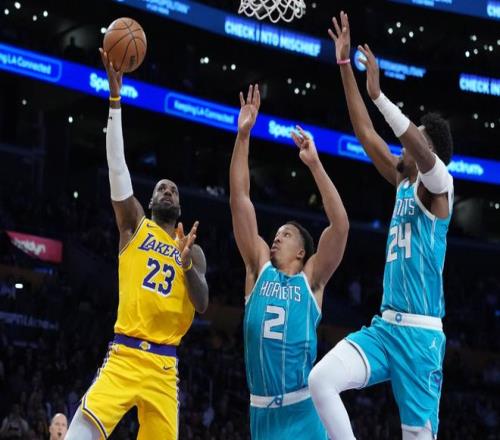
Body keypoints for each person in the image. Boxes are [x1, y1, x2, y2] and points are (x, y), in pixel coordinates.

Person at [309, 12, 454, 440]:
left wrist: (380, 95)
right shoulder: (401, 180)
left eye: (414, 137)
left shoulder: (440, 187)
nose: (402, 144)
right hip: (385, 329)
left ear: (426, 147)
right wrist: (344, 66)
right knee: (321, 381)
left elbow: (420, 151)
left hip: (421, 338)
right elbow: (363, 131)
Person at [66, 49, 209, 440]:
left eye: (173, 189)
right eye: (161, 188)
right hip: (125, 353)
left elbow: (202, 303)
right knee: (80, 431)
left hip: (164, 366)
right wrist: (115, 102)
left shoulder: (192, 249)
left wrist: (186, 263)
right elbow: (118, 167)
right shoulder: (134, 226)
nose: (167, 191)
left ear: (180, 206)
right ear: (150, 200)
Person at [230, 85, 349, 439]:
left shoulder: (311, 280)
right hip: (261, 413)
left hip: (303, 410)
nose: (277, 237)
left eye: (286, 234)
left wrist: (315, 164)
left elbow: (340, 225)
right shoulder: (258, 267)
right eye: (276, 233)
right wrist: (243, 136)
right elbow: (240, 198)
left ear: (302, 252)